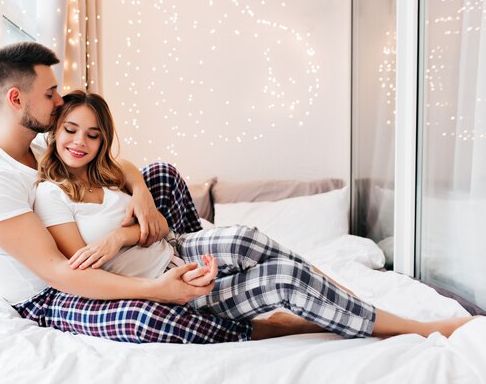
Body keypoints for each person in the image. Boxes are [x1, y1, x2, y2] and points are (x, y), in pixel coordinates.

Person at [32, 88, 478, 340]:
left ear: (103, 140)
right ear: (54, 133)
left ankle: (347, 298)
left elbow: (155, 223)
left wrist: (130, 225)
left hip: (174, 250)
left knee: (245, 238)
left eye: (92, 135)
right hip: (162, 286)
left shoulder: (109, 172)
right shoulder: (52, 195)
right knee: (284, 278)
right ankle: (413, 328)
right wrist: (136, 256)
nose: (80, 142)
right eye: (70, 131)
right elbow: (89, 265)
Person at [0, 41, 306, 344]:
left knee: (161, 174)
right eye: (49, 94)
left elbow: (112, 164)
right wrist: (157, 290)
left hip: (92, 253)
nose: (59, 99)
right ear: (16, 98)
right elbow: (60, 273)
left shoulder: (38, 146)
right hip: (50, 294)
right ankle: (261, 329)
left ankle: (195, 253)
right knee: (143, 318)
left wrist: (141, 195)